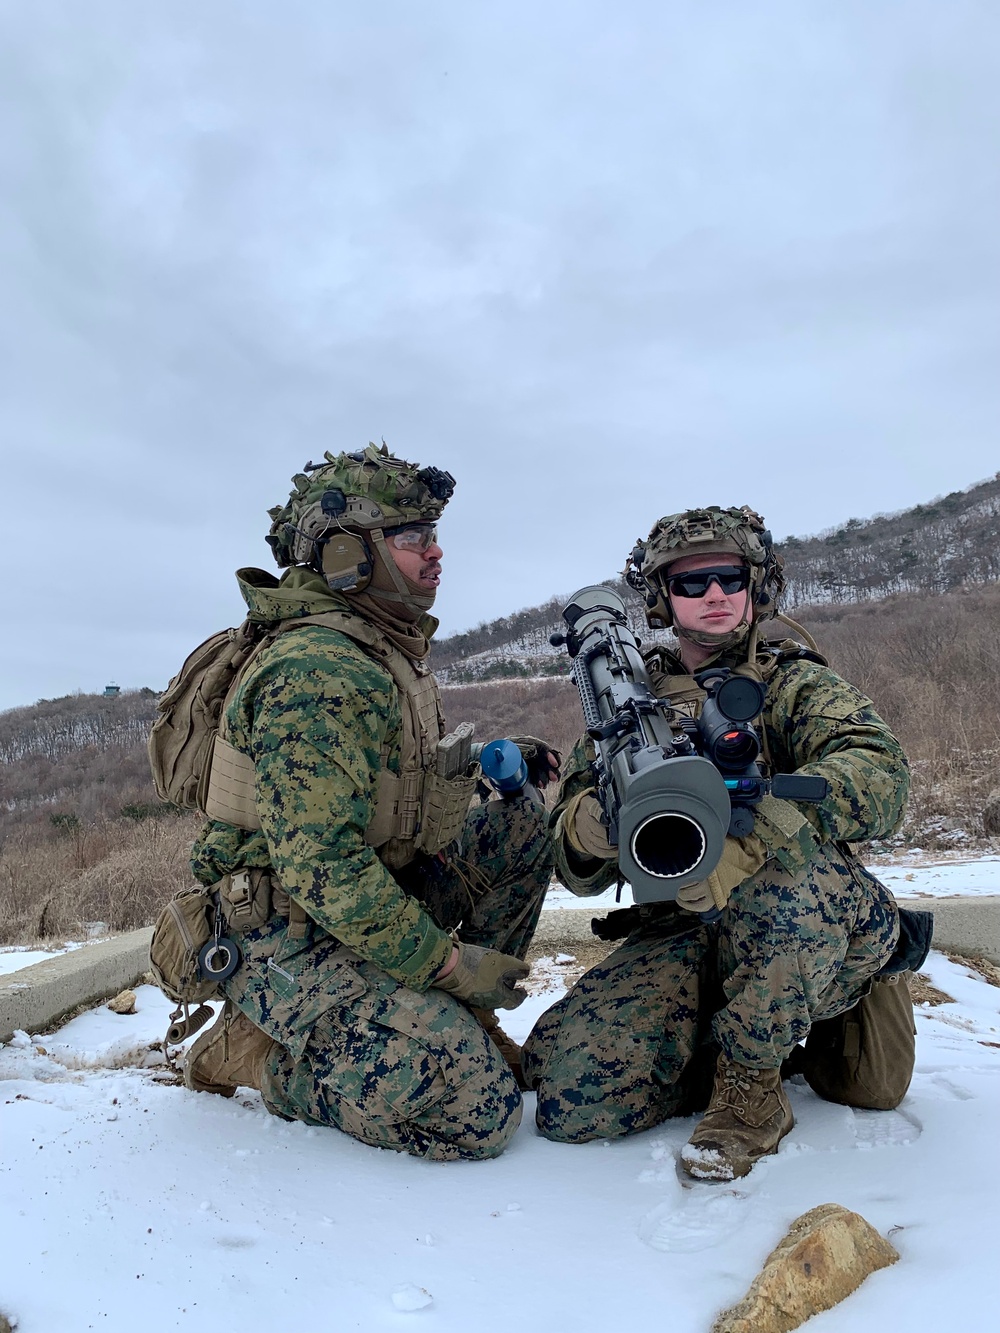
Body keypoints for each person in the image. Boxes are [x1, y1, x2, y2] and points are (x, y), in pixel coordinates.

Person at [182, 444, 557, 1161]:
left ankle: (456, 1020)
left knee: (517, 825)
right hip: (283, 931)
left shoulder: (380, 648)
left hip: (368, 899)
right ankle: (253, 1056)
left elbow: (388, 791)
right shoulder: (317, 670)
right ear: (347, 554)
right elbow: (323, 868)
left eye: (433, 533)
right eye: (413, 537)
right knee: (476, 1108)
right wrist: (447, 965)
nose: (436, 552)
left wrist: (483, 761)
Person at [522, 506, 915, 1180]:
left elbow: (882, 777)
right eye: (691, 581)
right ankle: (726, 1035)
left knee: (868, 1083)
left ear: (754, 586)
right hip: (684, 928)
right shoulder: (626, 709)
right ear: (660, 598)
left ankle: (750, 1086)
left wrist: (756, 831)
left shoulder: (794, 683)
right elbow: (576, 868)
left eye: (728, 578)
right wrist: (591, 825)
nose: (712, 595)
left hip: (799, 914)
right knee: (575, 1099)